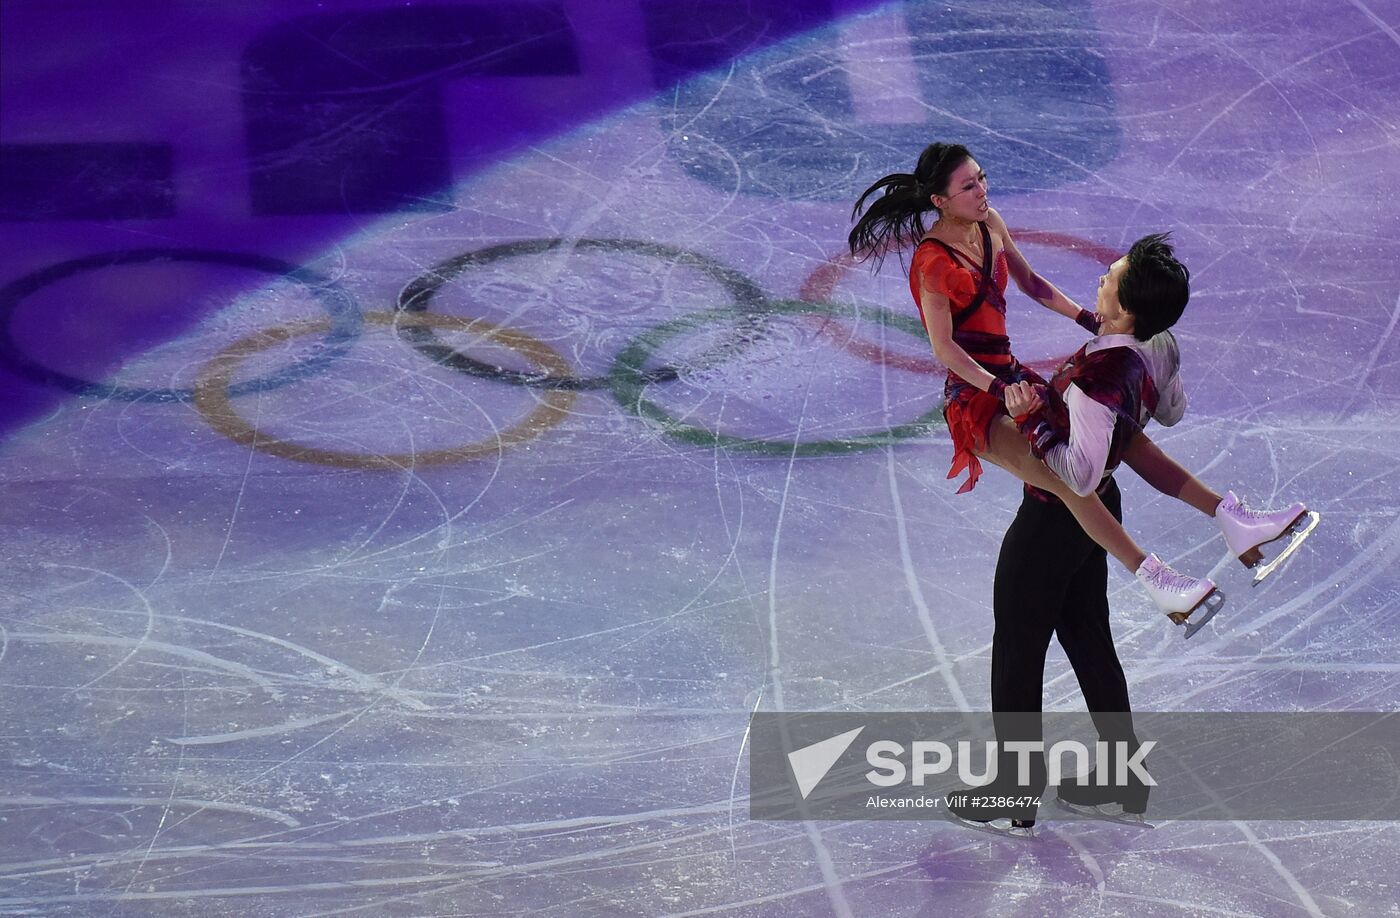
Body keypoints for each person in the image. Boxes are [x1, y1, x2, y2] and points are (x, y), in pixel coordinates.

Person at [847, 142, 1311, 635]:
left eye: (982, 178)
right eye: (968, 187)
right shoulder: (931, 261)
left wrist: (1089, 319)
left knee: (1126, 436)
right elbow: (944, 348)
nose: (982, 191)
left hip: (1013, 377)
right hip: (974, 399)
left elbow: (1031, 282)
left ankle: (1229, 516)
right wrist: (997, 389)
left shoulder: (989, 224)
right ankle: (1158, 581)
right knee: (1068, 481)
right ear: (940, 201)